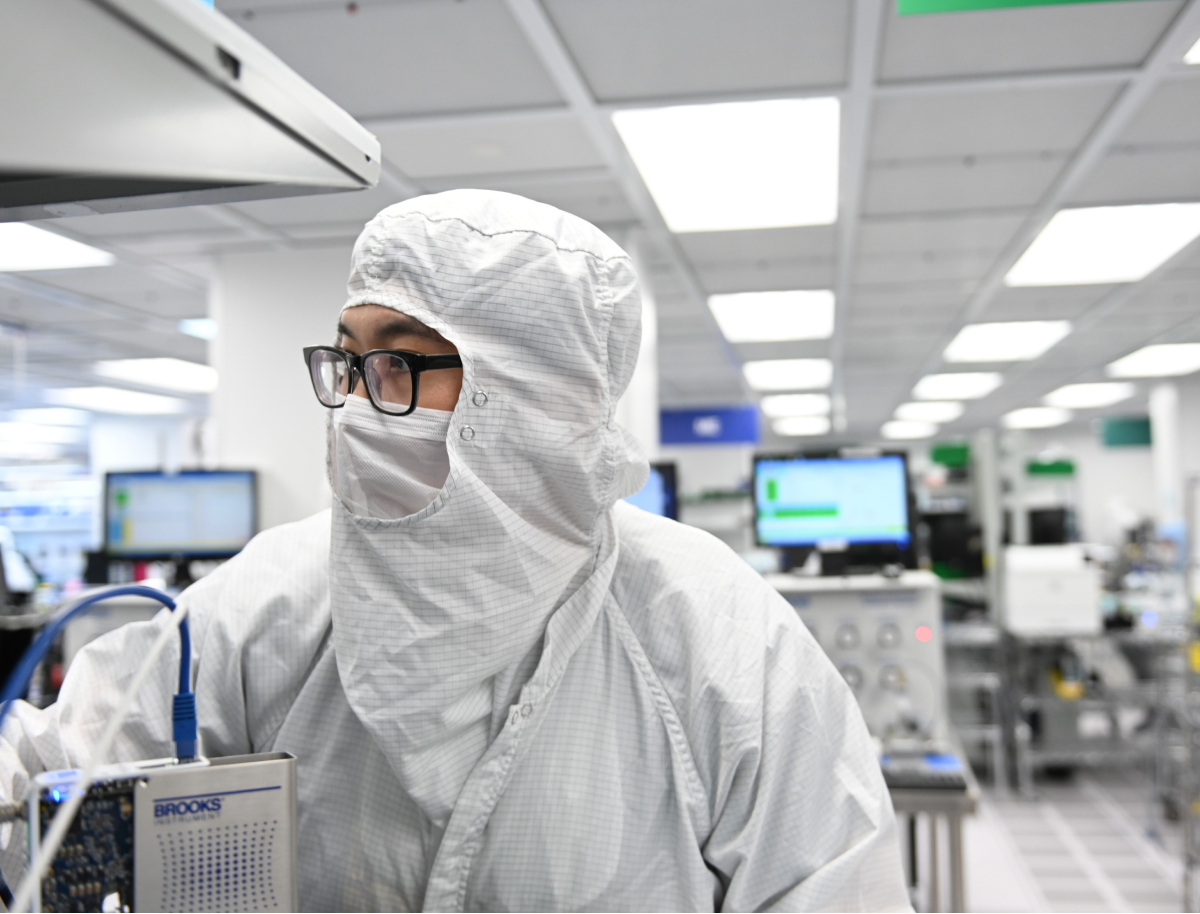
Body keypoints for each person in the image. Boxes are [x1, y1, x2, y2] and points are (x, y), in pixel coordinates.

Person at [0, 190, 909, 912]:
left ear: (536, 394)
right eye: (349, 362)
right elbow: (47, 778)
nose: (356, 406)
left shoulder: (715, 634)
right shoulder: (273, 597)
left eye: (400, 364)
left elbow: (834, 885)